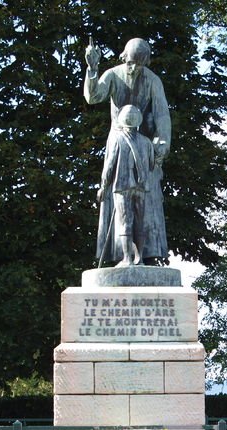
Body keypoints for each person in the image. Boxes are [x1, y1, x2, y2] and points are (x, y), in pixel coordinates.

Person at [84, 37, 170, 265]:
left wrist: (161, 144)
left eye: (139, 64)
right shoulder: (112, 74)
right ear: (124, 57)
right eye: (131, 62)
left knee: (145, 207)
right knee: (118, 204)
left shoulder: (153, 81)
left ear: (146, 63)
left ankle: (145, 257)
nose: (133, 68)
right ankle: (119, 256)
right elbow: (94, 97)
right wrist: (92, 68)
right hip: (119, 143)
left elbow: (162, 115)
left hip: (145, 149)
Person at [98, 105, 155, 266]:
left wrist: (103, 186)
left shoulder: (117, 139)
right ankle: (140, 258)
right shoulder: (147, 142)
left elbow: (109, 166)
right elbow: (151, 165)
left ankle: (127, 258)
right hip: (141, 188)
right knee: (140, 222)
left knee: (125, 222)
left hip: (122, 187)